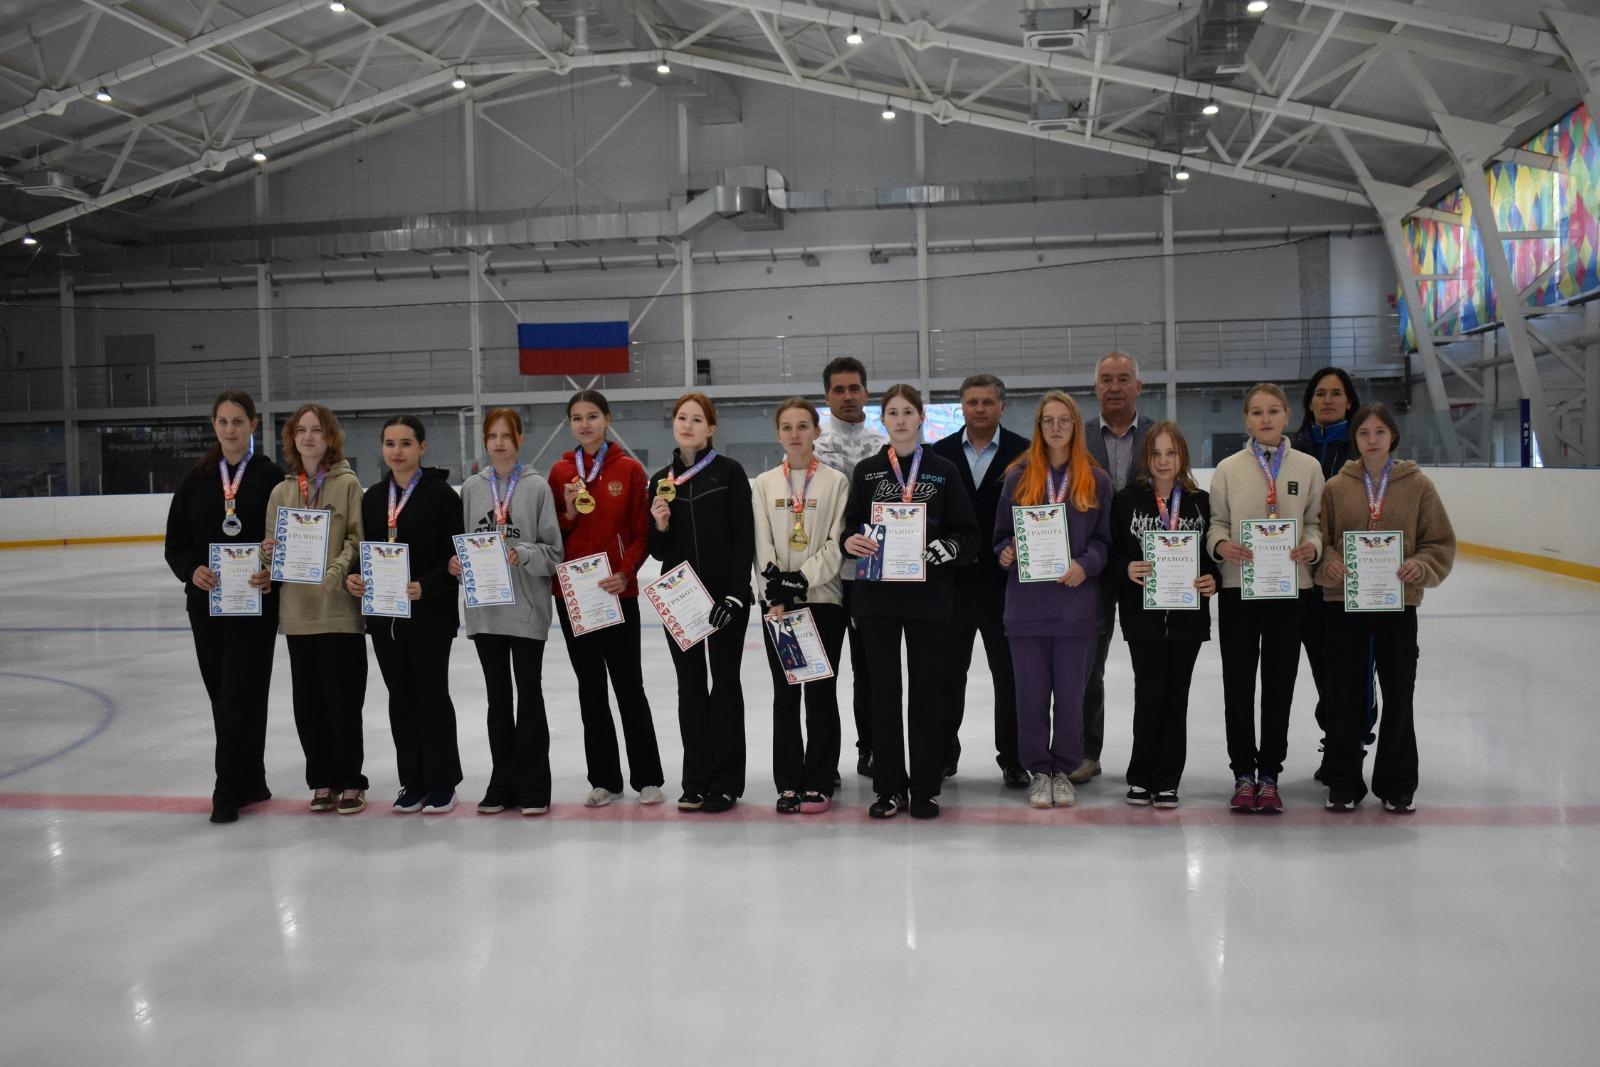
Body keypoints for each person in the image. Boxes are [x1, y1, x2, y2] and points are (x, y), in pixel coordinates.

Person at [841, 384, 979, 820]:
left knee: (927, 693)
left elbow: (968, 534)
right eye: (892, 413)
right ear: (883, 420)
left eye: (907, 412)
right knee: (882, 693)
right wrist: (850, 542)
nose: (900, 420)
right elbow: (849, 529)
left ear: (921, 418)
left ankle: (924, 788)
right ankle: (888, 788)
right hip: (877, 599)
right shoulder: (866, 471)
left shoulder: (943, 470)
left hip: (929, 599)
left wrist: (950, 548)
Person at [1315, 404, 1455, 813]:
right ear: (1354, 439)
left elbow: (1439, 542)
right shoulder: (1336, 488)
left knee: (1398, 693)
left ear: (1392, 436)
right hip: (1344, 604)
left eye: (1379, 432)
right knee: (1343, 693)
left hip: (1398, 604)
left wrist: (1421, 566)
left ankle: (1397, 782)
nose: (1372, 440)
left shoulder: (1419, 486)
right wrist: (1329, 563)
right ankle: (1343, 780)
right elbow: (1321, 540)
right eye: (1364, 433)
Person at [164, 390, 284, 824]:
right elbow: (176, 543)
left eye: (238, 421)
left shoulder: (273, 478)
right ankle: (251, 778)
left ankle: (227, 787)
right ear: (213, 425)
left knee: (245, 693)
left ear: (253, 424)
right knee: (223, 695)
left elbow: (288, 541)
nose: (230, 429)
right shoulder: (195, 480)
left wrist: (273, 573)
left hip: (256, 605)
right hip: (207, 607)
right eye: (222, 421)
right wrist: (191, 569)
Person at [1206, 383, 1325, 814]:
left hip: (1291, 591)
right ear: (1246, 420)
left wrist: (1312, 545)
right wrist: (1222, 546)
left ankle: (1270, 774)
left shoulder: (1308, 467)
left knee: (1279, 684)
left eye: (1273, 410)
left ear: (1287, 415)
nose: (1266, 418)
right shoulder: (1228, 469)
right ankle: (1243, 773)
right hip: (1239, 590)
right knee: (1238, 684)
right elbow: (1216, 523)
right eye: (1257, 412)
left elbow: (1316, 522)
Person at [547, 390, 667, 808]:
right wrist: (567, 513)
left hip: (617, 592)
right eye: (577, 418)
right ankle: (604, 779)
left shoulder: (629, 470)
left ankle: (647, 778)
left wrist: (625, 572)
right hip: (574, 598)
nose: (585, 424)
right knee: (591, 689)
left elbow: (641, 533)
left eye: (592, 416)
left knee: (629, 687)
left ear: (608, 419)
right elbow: (551, 535)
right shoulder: (560, 472)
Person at [994, 392, 1112, 810]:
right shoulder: (1018, 476)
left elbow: (1104, 541)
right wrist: (1006, 552)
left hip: (1075, 609)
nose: (1056, 427)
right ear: (1039, 427)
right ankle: (1038, 771)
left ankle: (1063, 769)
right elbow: (1001, 537)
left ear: (1076, 426)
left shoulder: (1096, 480)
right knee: (1030, 697)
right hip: (1026, 609)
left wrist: (1086, 564)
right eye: (1048, 420)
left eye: (1064, 420)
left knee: (1071, 698)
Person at [344, 415, 465, 815]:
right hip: (385, 618)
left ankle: (443, 782)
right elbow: (362, 550)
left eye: (406, 443)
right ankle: (412, 781)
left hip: (430, 616)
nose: (397, 451)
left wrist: (426, 586)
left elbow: (454, 557)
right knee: (401, 699)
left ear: (422, 448)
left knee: (431, 696)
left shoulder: (443, 497)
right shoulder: (373, 498)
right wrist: (354, 577)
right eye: (390, 443)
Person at [452, 408, 564, 816]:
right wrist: (457, 564)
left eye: (506, 435)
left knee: (529, 696)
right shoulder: (471, 488)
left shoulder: (536, 487)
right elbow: (462, 544)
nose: (499, 443)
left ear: (519, 440)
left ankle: (534, 786)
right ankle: (501, 783)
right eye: (492, 436)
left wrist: (524, 554)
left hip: (527, 610)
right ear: (485, 441)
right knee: (497, 700)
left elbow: (554, 553)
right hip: (486, 612)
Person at [649, 393, 755, 814]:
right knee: (690, 687)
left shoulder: (730, 472)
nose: (687, 425)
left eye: (697, 419)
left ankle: (725, 782)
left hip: (725, 597)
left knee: (724, 685)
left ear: (711, 428)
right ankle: (695, 781)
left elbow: (743, 537)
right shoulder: (660, 480)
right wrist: (660, 524)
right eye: (681, 418)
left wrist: (736, 592)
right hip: (680, 598)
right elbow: (658, 551)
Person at [261, 403, 367, 815]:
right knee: (308, 705)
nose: (308, 437)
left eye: (316, 430)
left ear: (330, 437)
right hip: (298, 614)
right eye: (301, 430)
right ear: (292, 438)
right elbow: (271, 550)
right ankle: (321, 780)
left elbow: (356, 539)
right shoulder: (281, 492)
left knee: (343, 702)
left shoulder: (348, 485)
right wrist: (267, 554)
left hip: (339, 611)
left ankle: (350, 780)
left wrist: (336, 571)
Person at [1109, 422, 1219, 809]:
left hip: (1188, 618)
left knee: (1177, 698)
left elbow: (1211, 556)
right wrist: (1126, 568)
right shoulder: (1126, 500)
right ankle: (1141, 776)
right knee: (1148, 694)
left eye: (1170, 453)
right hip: (1143, 617)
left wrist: (1213, 579)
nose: (1163, 460)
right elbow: (1112, 552)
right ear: (1146, 458)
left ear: (1182, 456)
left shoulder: (1200, 502)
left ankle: (1168, 779)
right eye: (1156, 453)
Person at [930, 373, 1030, 787]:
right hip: (951, 584)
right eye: (972, 402)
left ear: (1002, 407)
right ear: (962, 407)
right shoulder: (939, 453)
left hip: (1004, 584)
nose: (980, 408)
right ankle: (941, 756)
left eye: (988, 402)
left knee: (1009, 675)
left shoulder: (1025, 453)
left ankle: (1014, 758)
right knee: (947, 674)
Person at [753, 398, 849, 814]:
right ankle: (789, 781)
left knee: (822, 694)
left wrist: (804, 579)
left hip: (824, 600)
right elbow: (761, 544)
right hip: (778, 607)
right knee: (786, 694)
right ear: (778, 434)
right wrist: (776, 591)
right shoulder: (763, 484)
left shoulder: (835, 482)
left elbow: (837, 543)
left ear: (816, 432)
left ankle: (820, 779)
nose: (795, 434)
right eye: (788, 427)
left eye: (803, 426)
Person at [1079, 351, 1157, 785]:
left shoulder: (1158, 436)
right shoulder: (1080, 437)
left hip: (1150, 569)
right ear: (1096, 387)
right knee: (1089, 666)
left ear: (1138, 387)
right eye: (1106, 379)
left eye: (1123, 378)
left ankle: (1152, 757)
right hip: (1095, 569)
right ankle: (1086, 752)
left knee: (1152, 667)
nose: (1114, 387)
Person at [1291, 366, 1367, 774]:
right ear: (1309, 402)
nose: (1327, 400)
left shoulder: (1361, 448)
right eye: (1320, 393)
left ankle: (1348, 744)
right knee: (1322, 667)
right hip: (1302, 578)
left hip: (1345, 578)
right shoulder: (1294, 448)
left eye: (1336, 393)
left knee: (1349, 669)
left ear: (1349, 401)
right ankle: (1335, 739)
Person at [814, 356, 887, 778]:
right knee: (823, 673)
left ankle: (871, 749)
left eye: (854, 388)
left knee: (870, 671)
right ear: (827, 396)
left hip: (869, 577)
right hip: (824, 579)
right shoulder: (813, 446)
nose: (847, 396)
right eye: (838, 389)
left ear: (866, 392)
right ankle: (824, 761)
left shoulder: (884, 444)